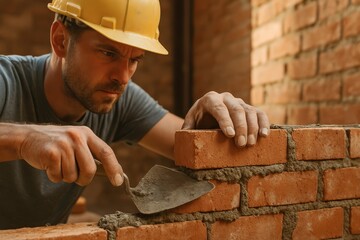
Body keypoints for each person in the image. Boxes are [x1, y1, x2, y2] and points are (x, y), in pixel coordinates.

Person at [0, 0, 269, 230]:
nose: (123, 77)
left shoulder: (118, 97)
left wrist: (208, 123)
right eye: (108, 53)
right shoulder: (6, 80)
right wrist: (25, 139)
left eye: (134, 60)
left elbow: (190, 144)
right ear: (60, 40)